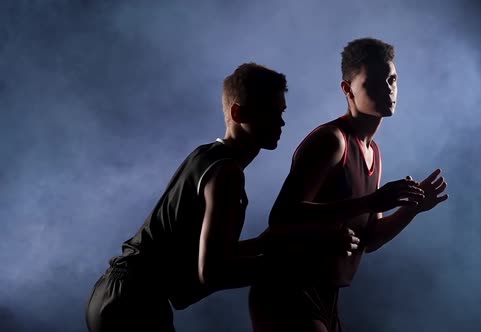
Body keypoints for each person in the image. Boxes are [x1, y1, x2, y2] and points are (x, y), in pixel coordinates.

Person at [85, 63, 367, 332]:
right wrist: (305, 264)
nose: (281, 122)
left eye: (282, 111)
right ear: (237, 113)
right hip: (132, 301)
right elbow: (213, 272)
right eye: (270, 112)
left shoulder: (207, 155)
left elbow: (212, 255)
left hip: (118, 295)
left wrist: (268, 244)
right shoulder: (227, 174)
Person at [248, 37, 449, 332]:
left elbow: (370, 239)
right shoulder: (332, 141)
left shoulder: (373, 152)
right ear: (348, 89)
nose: (388, 89)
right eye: (375, 83)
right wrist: (372, 201)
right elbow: (282, 216)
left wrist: (412, 209)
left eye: (392, 80)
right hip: (287, 288)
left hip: (326, 294)